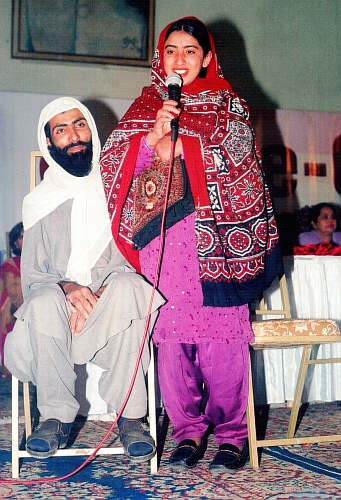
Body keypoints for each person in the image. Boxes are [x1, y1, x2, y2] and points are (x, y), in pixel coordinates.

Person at [100, 17, 282, 471]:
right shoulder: (147, 104)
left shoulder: (228, 104)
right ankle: (186, 432)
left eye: (190, 51)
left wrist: (184, 148)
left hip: (215, 239)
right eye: (171, 51)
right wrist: (151, 138)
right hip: (164, 243)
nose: (180, 60)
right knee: (173, 339)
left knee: (220, 341)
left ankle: (232, 436)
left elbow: (239, 154)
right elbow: (114, 159)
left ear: (206, 58)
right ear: (160, 58)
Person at [4, 97, 164, 462]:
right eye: (61, 130)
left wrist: (98, 291)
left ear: (91, 130)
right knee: (44, 300)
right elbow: (33, 281)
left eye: (79, 125)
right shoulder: (38, 203)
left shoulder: (116, 190)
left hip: (106, 319)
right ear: (49, 143)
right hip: (51, 327)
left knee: (130, 288)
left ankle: (130, 417)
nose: (73, 135)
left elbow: (131, 260)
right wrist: (68, 289)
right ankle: (55, 419)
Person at [0, 222, 24, 377]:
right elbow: (11, 289)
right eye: (21, 236)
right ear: (15, 241)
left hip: (31, 307)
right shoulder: (9, 263)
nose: (26, 239)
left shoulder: (39, 263)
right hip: (11, 309)